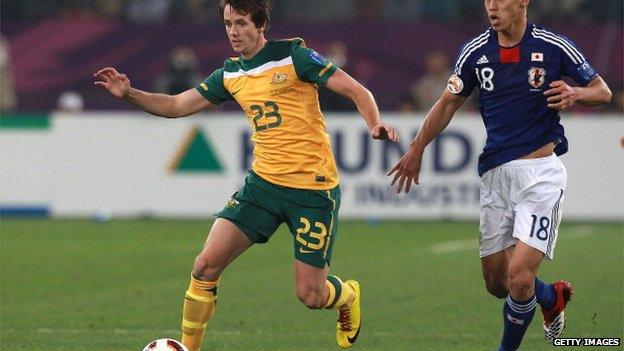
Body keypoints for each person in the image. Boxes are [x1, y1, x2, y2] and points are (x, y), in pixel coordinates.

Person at [94, 1, 399, 350]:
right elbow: (178, 105)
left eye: (240, 23)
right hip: (263, 187)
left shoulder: (294, 56)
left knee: (312, 295)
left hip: (313, 192)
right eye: (227, 24)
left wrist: (374, 122)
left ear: (260, 24)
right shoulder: (229, 74)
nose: (233, 32)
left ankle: (346, 297)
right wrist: (130, 94)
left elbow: (355, 90)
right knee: (205, 267)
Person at [388, 1, 611, 350]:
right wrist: (417, 148)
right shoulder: (477, 52)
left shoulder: (553, 46)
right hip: (496, 176)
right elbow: (448, 102)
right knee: (497, 284)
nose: (492, 7)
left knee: (520, 278)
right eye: (487, 0)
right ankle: (550, 297)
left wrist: (576, 93)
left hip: (541, 176)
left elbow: (603, 90)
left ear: (522, 2)